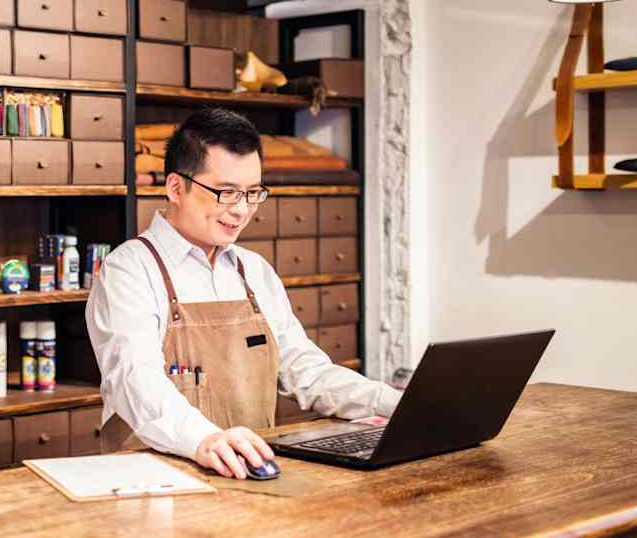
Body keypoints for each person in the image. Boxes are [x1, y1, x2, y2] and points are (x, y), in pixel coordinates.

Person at [85, 108, 402, 479]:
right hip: (155, 482)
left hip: (246, 475)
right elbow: (135, 381)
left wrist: (395, 402)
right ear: (175, 187)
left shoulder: (254, 271)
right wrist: (204, 439)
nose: (241, 210)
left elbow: (307, 373)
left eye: (253, 193)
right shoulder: (130, 270)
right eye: (225, 193)